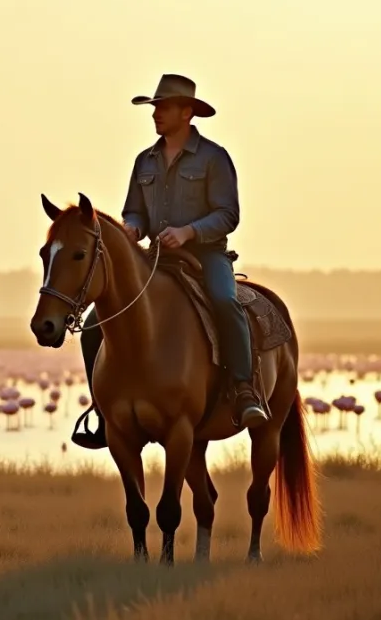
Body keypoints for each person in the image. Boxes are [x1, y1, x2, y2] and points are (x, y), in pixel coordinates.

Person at [72, 74, 267, 451]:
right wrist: (132, 227)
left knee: (226, 302)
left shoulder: (214, 158)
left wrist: (189, 232)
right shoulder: (144, 161)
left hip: (205, 255)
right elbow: (134, 210)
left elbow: (228, 214)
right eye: (155, 108)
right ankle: (103, 409)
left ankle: (244, 391)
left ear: (187, 112)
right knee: (96, 322)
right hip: (155, 260)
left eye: (163, 108)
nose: (156, 114)